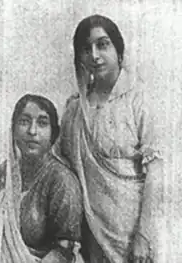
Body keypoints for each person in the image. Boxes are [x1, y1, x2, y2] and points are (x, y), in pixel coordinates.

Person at [52, 14, 164, 263]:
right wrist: (11, 166)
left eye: (102, 44)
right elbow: (55, 160)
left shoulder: (138, 102)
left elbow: (156, 172)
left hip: (133, 235)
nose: (94, 55)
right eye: (86, 49)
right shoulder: (74, 110)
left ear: (118, 50)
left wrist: (143, 235)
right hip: (93, 233)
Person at [0, 94, 83, 263]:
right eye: (24, 121)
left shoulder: (61, 181)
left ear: (54, 133)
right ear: (13, 129)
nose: (32, 131)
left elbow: (65, 249)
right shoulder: (4, 176)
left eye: (42, 123)